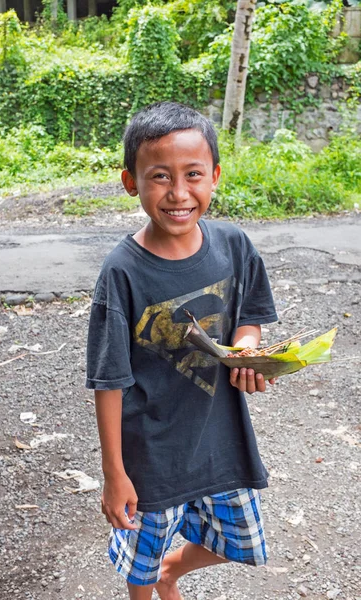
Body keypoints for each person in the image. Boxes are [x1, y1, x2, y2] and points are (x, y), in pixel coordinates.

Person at [86, 101, 278, 600]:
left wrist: (246, 352)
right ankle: (157, 580)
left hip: (221, 442)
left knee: (242, 542)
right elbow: (108, 380)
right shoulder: (122, 272)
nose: (178, 193)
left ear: (214, 176)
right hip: (151, 455)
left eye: (193, 174)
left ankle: (174, 570)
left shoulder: (234, 245)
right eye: (159, 177)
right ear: (131, 182)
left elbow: (250, 317)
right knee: (141, 570)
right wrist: (114, 473)